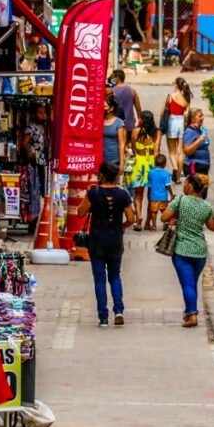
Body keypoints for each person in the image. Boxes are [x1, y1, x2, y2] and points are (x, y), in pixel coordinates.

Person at [77, 162, 135, 327]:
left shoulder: (93, 192)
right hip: (115, 240)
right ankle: (118, 310)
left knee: (99, 279)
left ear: (101, 175)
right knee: (115, 276)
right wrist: (123, 226)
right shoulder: (123, 194)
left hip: (96, 241)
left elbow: (80, 212)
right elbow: (131, 219)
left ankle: (103, 316)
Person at [162, 174, 214, 328]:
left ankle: (192, 315)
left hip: (182, 251)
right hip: (200, 251)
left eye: (186, 183)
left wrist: (176, 215)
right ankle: (189, 312)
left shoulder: (179, 201)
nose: (184, 186)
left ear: (191, 186)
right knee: (192, 284)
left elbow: (164, 217)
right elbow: (213, 227)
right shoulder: (207, 206)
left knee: (187, 285)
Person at [127, 110, 162, 231]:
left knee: (138, 194)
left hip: (139, 163)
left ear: (141, 120)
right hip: (151, 163)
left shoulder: (136, 131)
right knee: (151, 195)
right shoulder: (157, 133)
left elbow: (133, 149)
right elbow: (157, 150)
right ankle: (148, 221)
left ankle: (138, 219)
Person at [162, 78, 192, 183]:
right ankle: (178, 177)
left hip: (172, 121)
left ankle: (174, 167)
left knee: (172, 151)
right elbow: (188, 113)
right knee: (181, 152)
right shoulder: (186, 98)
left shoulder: (170, 96)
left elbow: (163, 112)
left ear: (176, 85)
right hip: (182, 122)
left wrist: (162, 126)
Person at [146, 154, 174, 231]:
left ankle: (154, 225)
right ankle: (165, 223)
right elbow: (168, 186)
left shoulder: (151, 172)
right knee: (164, 211)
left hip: (153, 196)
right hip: (163, 196)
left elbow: (149, 184)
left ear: (155, 163)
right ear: (165, 164)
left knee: (153, 212)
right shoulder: (166, 174)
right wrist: (171, 194)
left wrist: (148, 195)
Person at [112, 69, 143, 133]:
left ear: (117, 78)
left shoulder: (112, 91)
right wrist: (140, 122)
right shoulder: (132, 91)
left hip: (115, 124)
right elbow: (138, 109)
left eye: (113, 77)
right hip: (129, 124)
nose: (112, 80)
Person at [182, 109, 211, 176]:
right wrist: (198, 141)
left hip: (203, 165)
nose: (203, 118)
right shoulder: (189, 132)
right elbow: (187, 151)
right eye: (200, 116)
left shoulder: (199, 130)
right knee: (195, 186)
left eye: (202, 116)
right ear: (193, 119)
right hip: (194, 166)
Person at [102, 95, 127, 172]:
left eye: (104, 106)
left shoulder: (118, 122)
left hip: (114, 159)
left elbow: (121, 144)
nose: (102, 108)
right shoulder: (99, 120)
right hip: (101, 159)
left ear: (111, 108)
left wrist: (122, 163)